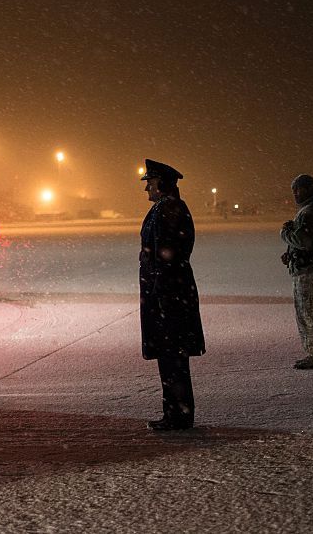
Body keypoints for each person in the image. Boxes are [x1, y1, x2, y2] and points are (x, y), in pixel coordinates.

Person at [139, 159, 205, 431]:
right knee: (170, 357)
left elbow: (168, 256)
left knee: (173, 357)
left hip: (170, 296)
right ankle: (175, 412)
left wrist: (160, 293)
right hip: (167, 293)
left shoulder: (170, 209)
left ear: (162, 184)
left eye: (150, 183)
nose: (146, 190)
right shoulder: (164, 208)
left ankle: (178, 415)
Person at [280, 174, 313, 370]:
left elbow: (305, 241)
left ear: (310, 189)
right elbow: (307, 242)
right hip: (309, 267)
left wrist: (285, 234)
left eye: (298, 189)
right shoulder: (308, 210)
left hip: (310, 270)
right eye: (294, 189)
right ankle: (312, 352)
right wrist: (291, 255)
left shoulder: (310, 212)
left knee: (309, 312)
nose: (295, 193)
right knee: (307, 311)